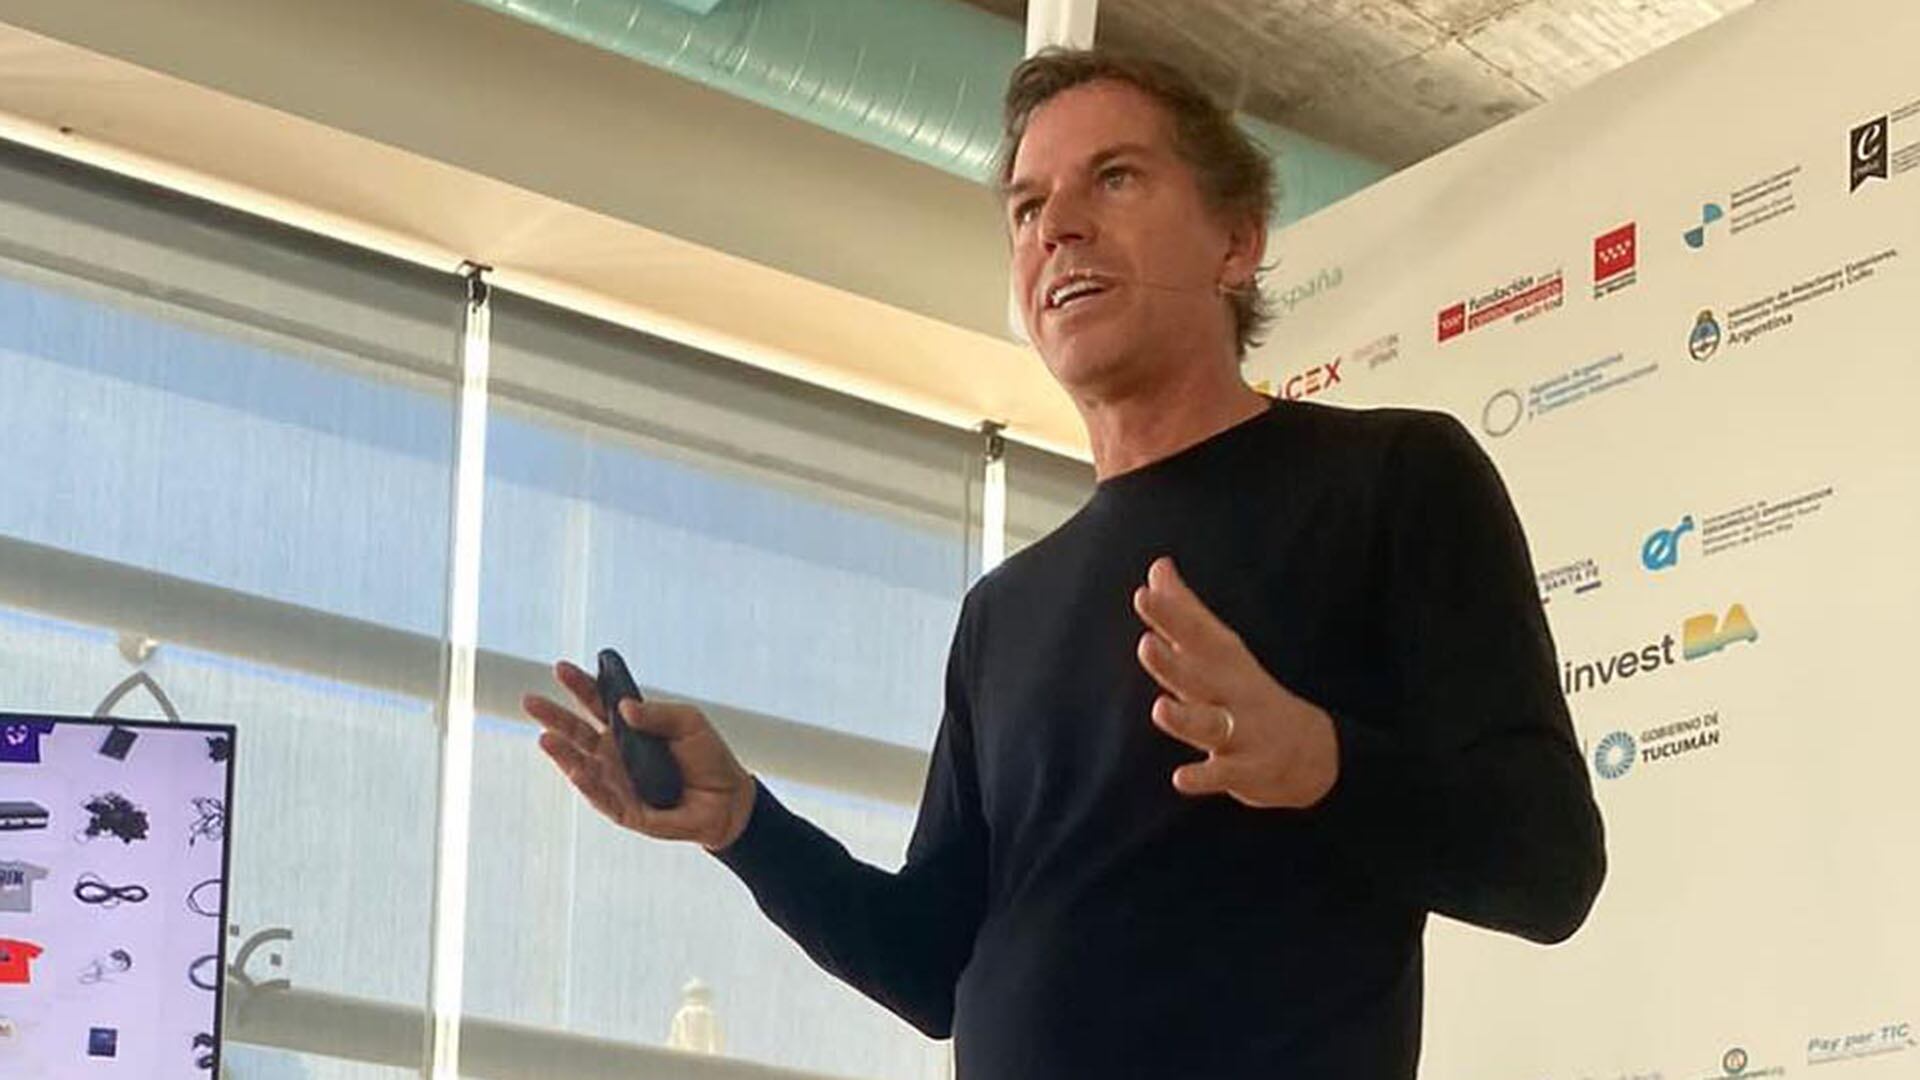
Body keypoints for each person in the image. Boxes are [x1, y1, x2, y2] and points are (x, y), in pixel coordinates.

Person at [524, 46, 1606, 1078]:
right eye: (1028, 208)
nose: (1060, 227)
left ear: (1237, 241)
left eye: (1115, 177)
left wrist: (1321, 761)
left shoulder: (1395, 479)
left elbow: (1550, 864)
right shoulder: (1005, 612)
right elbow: (931, 964)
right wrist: (743, 824)